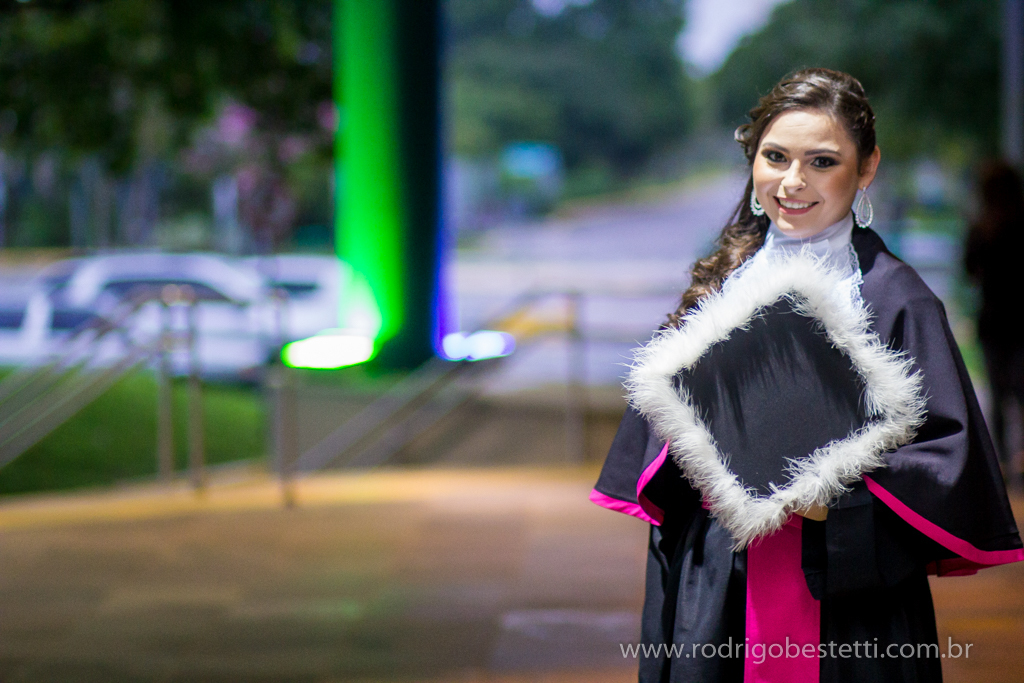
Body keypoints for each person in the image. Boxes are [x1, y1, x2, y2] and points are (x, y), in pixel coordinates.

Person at [590, 68, 1024, 683]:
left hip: (848, 601)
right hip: (720, 583)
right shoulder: (723, 282)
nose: (792, 183)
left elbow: (947, 464)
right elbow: (659, 448)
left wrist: (829, 499)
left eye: (822, 161)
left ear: (866, 168)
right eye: (775, 157)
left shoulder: (897, 298)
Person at [964, 160, 1024, 483]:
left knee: (999, 396)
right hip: (1018, 320)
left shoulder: (981, 227)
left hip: (993, 320)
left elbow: (969, 269)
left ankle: (1003, 462)